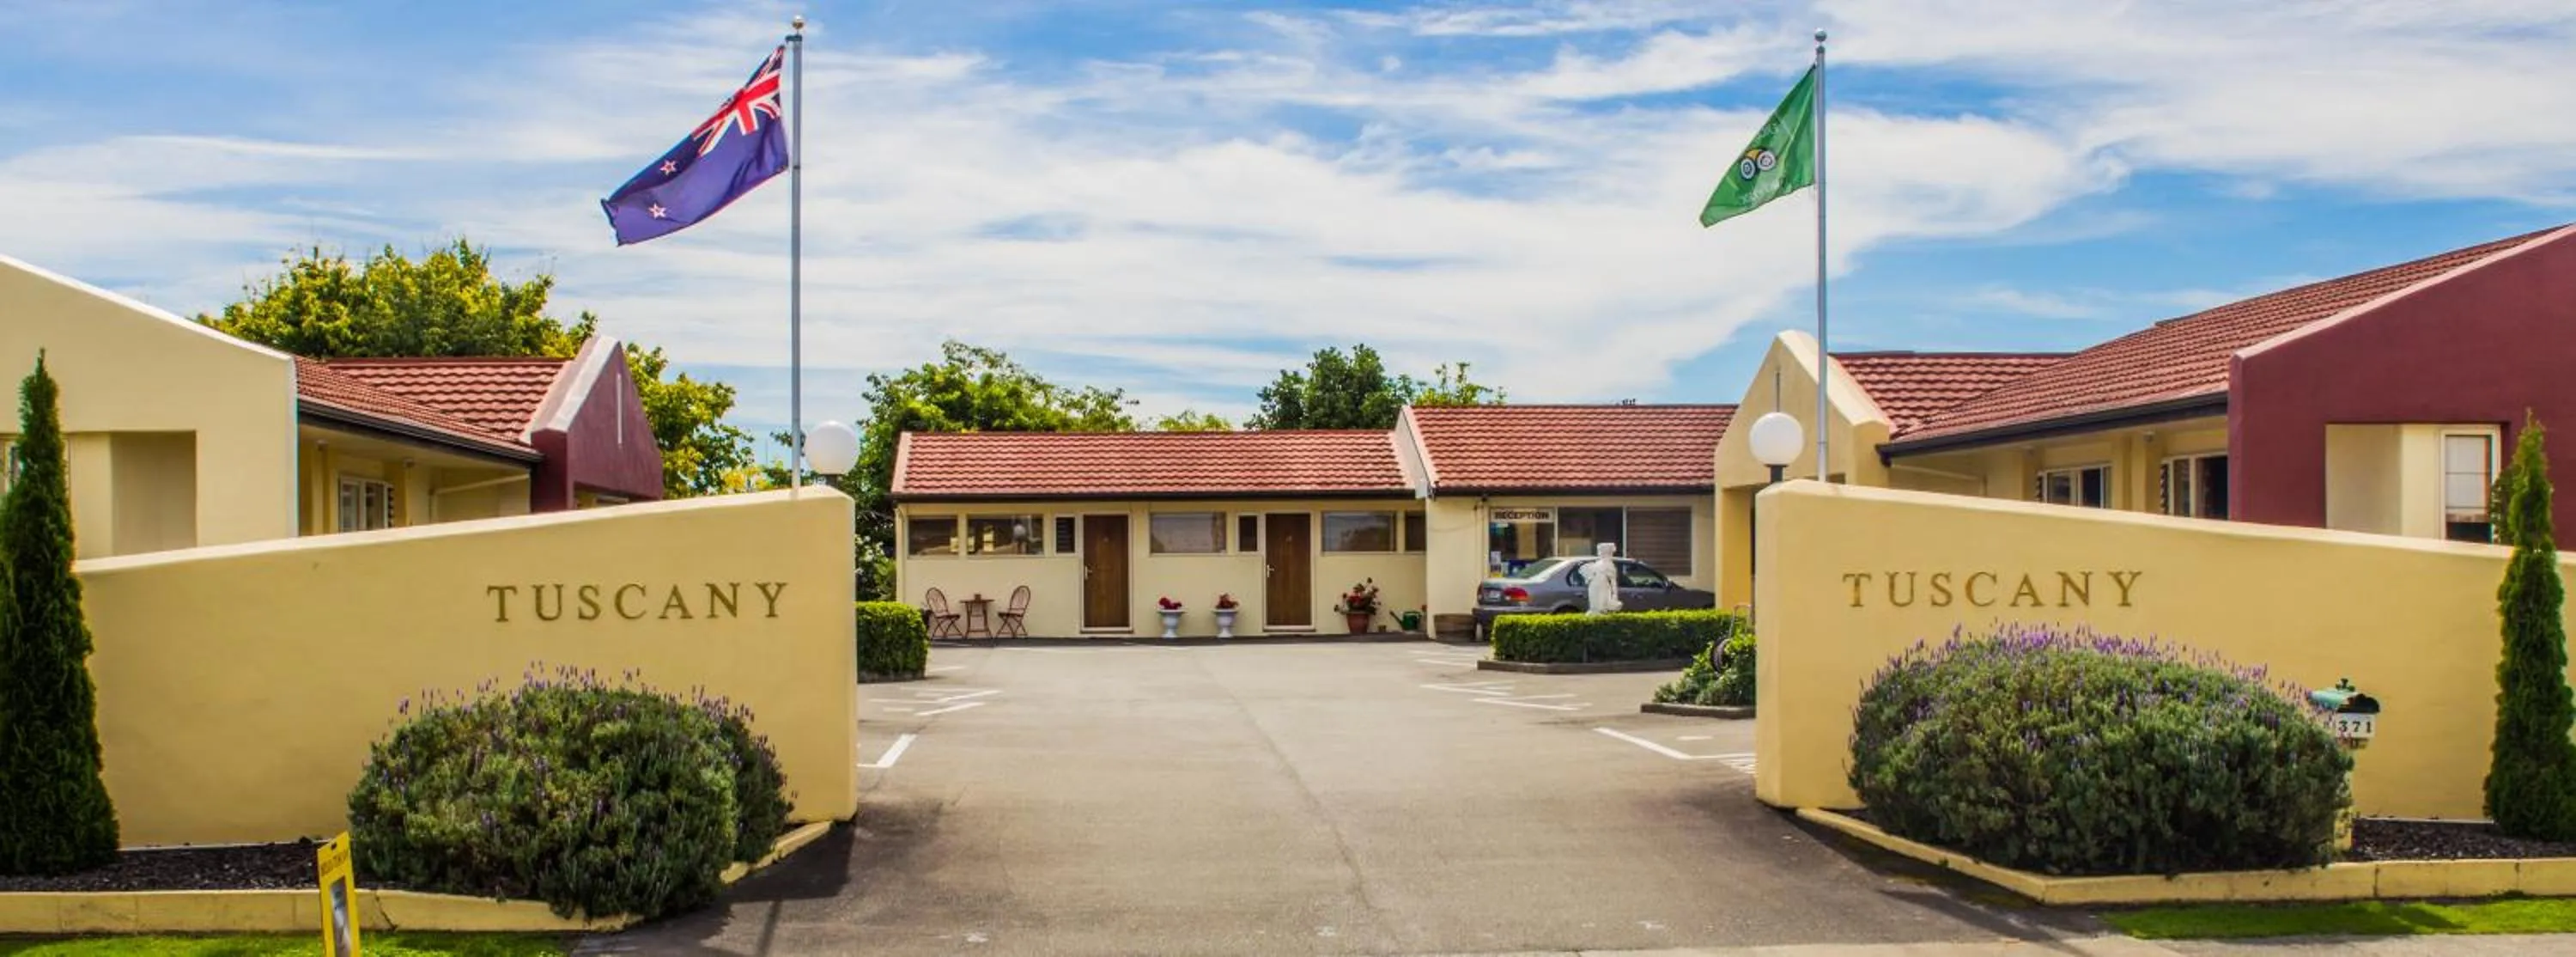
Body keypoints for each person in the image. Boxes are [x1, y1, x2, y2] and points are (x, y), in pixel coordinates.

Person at [1584, 542, 1621, 614]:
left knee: (1601, 607)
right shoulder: (1597, 564)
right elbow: (1590, 577)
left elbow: (1613, 582)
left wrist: (1615, 595)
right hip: (1594, 587)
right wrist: (1589, 577)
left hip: (1603, 588)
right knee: (1594, 607)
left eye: (1602, 552)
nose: (1600, 554)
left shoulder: (1610, 565)